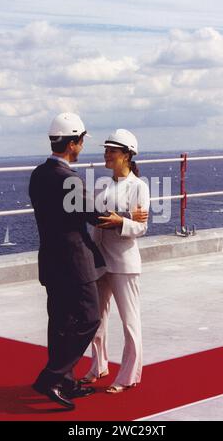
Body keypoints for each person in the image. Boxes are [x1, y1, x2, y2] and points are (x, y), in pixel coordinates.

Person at [29, 112, 105, 410]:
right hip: (75, 261)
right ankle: (53, 377)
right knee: (89, 317)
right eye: (81, 140)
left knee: (60, 322)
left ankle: (65, 380)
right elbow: (93, 215)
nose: (83, 145)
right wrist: (124, 218)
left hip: (50, 259)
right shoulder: (68, 178)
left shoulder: (39, 174)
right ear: (73, 143)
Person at [79, 129, 150, 393]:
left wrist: (121, 221)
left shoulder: (139, 187)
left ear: (127, 156)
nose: (106, 154)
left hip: (123, 263)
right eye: (106, 149)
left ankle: (128, 375)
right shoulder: (104, 185)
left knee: (130, 321)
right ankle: (98, 366)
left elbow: (141, 228)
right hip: (100, 260)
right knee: (95, 319)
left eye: (112, 150)